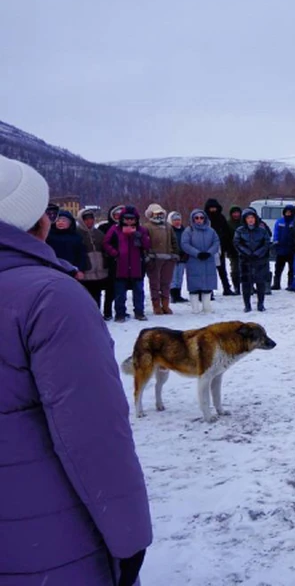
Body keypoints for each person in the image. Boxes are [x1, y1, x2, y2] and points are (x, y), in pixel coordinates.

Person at [1, 157, 152, 586]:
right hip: (41, 543)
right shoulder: (49, 299)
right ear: (41, 224)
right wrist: (130, 540)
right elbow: (93, 432)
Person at [103, 206, 151, 322]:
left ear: (136, 219)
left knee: (139, 291)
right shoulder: (115, 229)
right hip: (120, 265)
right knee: (120, 292)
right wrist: (115, 253)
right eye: (126, 219)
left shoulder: (141, 230)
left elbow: (147, 246)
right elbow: (106, 243)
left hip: (137, 266)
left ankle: (139, 312)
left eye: (132, 219)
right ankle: (120, 314)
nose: (129, 221)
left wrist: (139, 236)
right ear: (122, 219)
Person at [180, 209, 221, 313]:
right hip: (194, 261)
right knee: (194, 284)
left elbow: (216, 243)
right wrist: (197, 253)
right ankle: (195, 308)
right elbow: (185, 244)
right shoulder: (189, 231)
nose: (199, 220)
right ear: (193, 219)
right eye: (196, 218)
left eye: (201, 218)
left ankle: (207, 307)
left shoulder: (211, 231)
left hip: (208, 260)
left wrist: (209, 253)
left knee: (207, 284)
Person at [143, 203, 180, 315]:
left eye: (161, 213)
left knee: (166, 283)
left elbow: (174, 241)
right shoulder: (146, 227)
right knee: (155, 283)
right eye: (156, 213)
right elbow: (144, 243)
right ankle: (156, 306)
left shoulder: (168, 226)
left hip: (168, 258)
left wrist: (175, 254)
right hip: (153, 259)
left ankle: (165, 305)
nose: (159, 215)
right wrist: (147, 257)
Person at [234, 208, 272, 312]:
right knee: (246, 283)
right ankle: (247, 305)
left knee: (260, 283)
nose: (250, 220)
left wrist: (257, 253)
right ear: (245, 219)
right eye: (248, 218)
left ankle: (260, 304)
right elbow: (237, 243)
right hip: (245, 261)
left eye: (252, 217)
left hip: (260, 260)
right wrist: (247, 253)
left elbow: (267, 243)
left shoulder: (262, 230)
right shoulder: (240, 231)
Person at [77, 207, 111, 307]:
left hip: (100, 271)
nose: (89, 221)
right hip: (86, 271)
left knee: (97, 294)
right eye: (86, 219)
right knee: (85, 295)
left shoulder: (99, 234)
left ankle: (97, 314)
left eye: (91, 219)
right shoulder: (77, 233)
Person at [97, 204, 124, 319]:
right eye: (116, 214)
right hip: (107, 261)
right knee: (107, 288)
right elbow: (101, 243)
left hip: (123, 262)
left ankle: (119, 310)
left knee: (119, 289)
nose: (118, 216)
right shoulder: (104, 227)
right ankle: (106, 311)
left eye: (120, 214)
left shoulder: (127, 226)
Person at [205, 198, 236, 295]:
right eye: (211, 208)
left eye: (214, 208)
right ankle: (210, 290)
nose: (213, 210)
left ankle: (226, 288)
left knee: (222, 269)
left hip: (220, 247)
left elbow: (227, 233)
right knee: (209, 271)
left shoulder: (221, 218)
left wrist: (227, 247)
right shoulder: (205, 219)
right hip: (208, 247)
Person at [46, 210, 89, 277]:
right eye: (58, 221)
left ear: (70, 223)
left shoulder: (76, 237)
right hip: (52, 270)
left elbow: (81, 255)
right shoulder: (48, 236)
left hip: (71, 270)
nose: (60, 222)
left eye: (64, 221)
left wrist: (81, 270)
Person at [272, 204, 295, 290]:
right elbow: (276, 232)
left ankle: (290, 284)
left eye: (290, 212)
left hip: (291, 249)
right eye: (286, 212)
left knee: (292, 269)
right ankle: (276, 284)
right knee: (278, 269)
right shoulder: (279, 221)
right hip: (281, 248)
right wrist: (276, 242)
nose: (288, 213)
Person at [168, 210, 188, 303]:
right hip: (173, 257)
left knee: (180, 277)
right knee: (173, 277)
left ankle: (178, 294)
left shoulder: (185, 231)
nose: (177, 221)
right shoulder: (169, 231)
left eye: (179, 219)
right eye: (175, 220)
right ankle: (173, 295)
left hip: (183, 256)